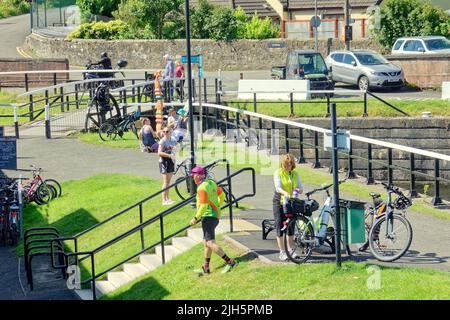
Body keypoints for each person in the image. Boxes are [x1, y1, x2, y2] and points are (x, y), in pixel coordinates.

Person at [189, 166, 238, 275]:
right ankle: (206, 267)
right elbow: (222, 195)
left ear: (199, 175)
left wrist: (195, 218)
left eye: (194, 175)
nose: (192, 177)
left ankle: (230, 262)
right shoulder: (211, 183)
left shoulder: (201, 188)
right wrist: (217, 206)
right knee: (206, 242)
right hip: (214, 216)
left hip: (208, 217)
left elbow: (204, 205)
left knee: (210, 243)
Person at [273, 153, 304, 261]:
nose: (288, 167)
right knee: (280, 226)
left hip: (291, 202)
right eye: (286, 165)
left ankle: (290, 250)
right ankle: (282, 252)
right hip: (279, 202)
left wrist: (298, 190)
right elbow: (278, 187)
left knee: (291, 226)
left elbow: (300, 187)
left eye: (290, 164)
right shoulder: (278, 173)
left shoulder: (295, 174)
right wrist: (285, 193)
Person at [158, 127, 178, 205]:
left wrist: (174, 148)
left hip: (171, 161)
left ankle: (168, 198)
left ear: (170, 132)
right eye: (164, 131)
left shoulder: (173, 139)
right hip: (164, 162)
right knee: (165, 182)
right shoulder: (162, 141)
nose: (165, 133)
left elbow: (178, 148)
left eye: (167, 131)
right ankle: (163, 200)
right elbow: (159, 153)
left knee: (168, 182)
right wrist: (169, 155)